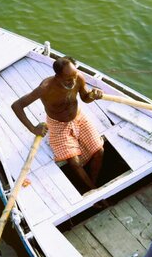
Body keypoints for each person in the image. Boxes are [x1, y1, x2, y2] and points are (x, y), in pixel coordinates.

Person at [11, 56, 106, 190]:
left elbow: (85, 98)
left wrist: (92, 95)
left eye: (73, 77)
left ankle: (93, 183)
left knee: (99, 151)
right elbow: (17, 105)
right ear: (57, 76)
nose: (72, 82)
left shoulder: (78, 77)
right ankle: (92, 190)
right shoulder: (45, 88)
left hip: (78, 118)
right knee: (74, 163)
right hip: (58, 124)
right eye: (67, 79)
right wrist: (33, 129)